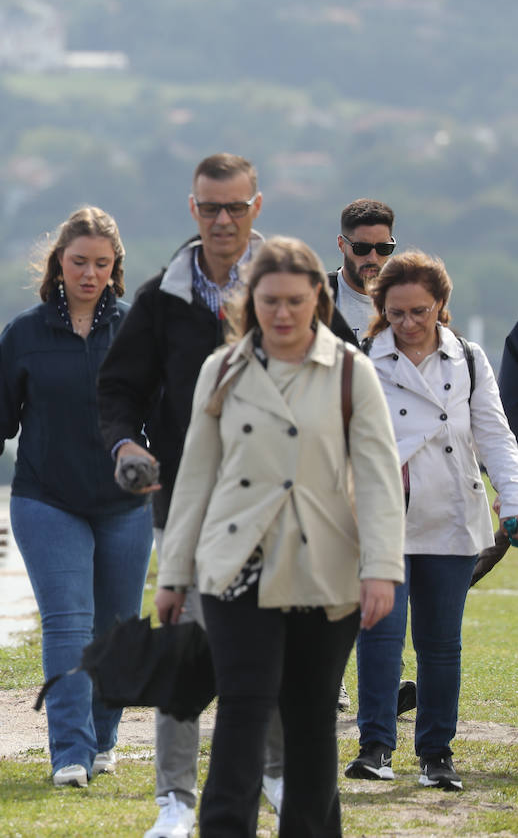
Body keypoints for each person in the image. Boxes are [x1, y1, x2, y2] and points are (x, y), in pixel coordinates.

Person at [154, 236, 405, 836]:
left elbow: (376, 479)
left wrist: (382, 569)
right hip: (235, 566)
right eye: (270, 301)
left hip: (325, 569)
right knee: (242, 708)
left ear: (317, 297)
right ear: (251, 301)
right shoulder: (222, 369)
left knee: (310, 721)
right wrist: (174, 577)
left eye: (296, 300)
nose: (283, 313)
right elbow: (195, 479)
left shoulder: (352, 372)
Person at [98, 153, 310, 836]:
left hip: (279, 503)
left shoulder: (291, 288)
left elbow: (337, 377)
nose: (223, 220)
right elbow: (118, 391)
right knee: (186, 647)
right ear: (193, 209)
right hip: (191, 503)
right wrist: (126, 444)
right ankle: (175, 800)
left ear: (257, 207)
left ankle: (275, 775)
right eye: (210, 208)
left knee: (273, 647)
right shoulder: (164, 298)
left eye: (236, 208)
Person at [0, 208, 151, 787]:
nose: (89, 274)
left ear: (114, 269)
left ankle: (103, 735)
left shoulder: (134, 333)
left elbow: (164, 419)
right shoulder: (25, 335)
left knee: (116, 628)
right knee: (67, 624)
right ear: (59, 262)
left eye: (101, 265)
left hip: (123, 506)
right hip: (46, 500)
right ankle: (71, 753)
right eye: (79, 261)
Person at [349, 250, 518, 792]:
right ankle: (375, 745)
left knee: (440, 643)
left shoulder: (468, 359)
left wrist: (513, 501)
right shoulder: (361, 360)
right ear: (381, 309)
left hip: (451, 511)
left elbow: (494, 434)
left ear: (441, 305)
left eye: (420, 311)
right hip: (382, 513)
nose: (408, 324)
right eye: (396, 313)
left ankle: (436, 753)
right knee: (379, 634)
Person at [329, 199, 397, 341]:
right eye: (361, 248)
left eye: (383, 248)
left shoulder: (406, 301)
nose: (372, 258)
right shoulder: (316, 299)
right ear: (341, 244)